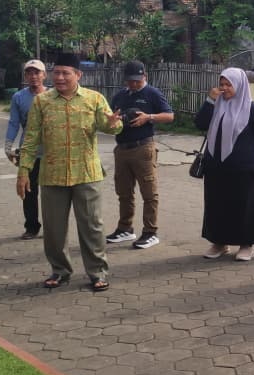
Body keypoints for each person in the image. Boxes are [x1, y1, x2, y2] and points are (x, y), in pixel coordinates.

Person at [17, 53, 123, 292]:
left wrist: (114, 123)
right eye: (57, 73)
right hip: (52, 174)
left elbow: (110, 126)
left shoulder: (94, 99)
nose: (60, 77)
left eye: (66, 73)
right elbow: (31, 138)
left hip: (86, 173)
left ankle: (97, 272)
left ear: (78, 75)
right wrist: (23, 171)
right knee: (54, 229)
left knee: (92, 226)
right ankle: (60, 271)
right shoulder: (42, 102)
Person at [195, 68, 254, 261]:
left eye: (228, 84)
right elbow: (200, 123)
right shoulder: (216, 105)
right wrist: (210, 101)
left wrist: (247, 152)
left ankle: (247, 245)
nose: (224, 88)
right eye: (222, 84)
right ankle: (219, 243)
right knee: (217, 205)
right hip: (216, 168)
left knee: (245, 206)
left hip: (244, 169)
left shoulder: (252, 109)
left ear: (239, 85)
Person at [106, 61, 175, 250]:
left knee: (149, 192)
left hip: (143, 148)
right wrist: (113, 120)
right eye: (130, 81)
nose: (133, 84)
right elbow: (110, 117)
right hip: (122, 148)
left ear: (145, 76)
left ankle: (150, 232)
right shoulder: (120, 95)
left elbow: (169, 116)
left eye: (137, 80)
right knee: (124, 192)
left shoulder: (152, 93)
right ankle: (125, 228)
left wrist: (148, 117)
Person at [5, 59, 46, 240]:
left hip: (51, 152)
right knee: (29, 191)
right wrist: (8, 145)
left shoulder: (53, 95)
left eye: (37, 72)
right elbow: (14, 122)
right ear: (25, 76)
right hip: (28, 151)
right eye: (29, 73)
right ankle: (31, 227)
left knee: (53, 193)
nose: (33, 76)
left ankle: (54, 227)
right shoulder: (19, 97)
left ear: (44, 75)